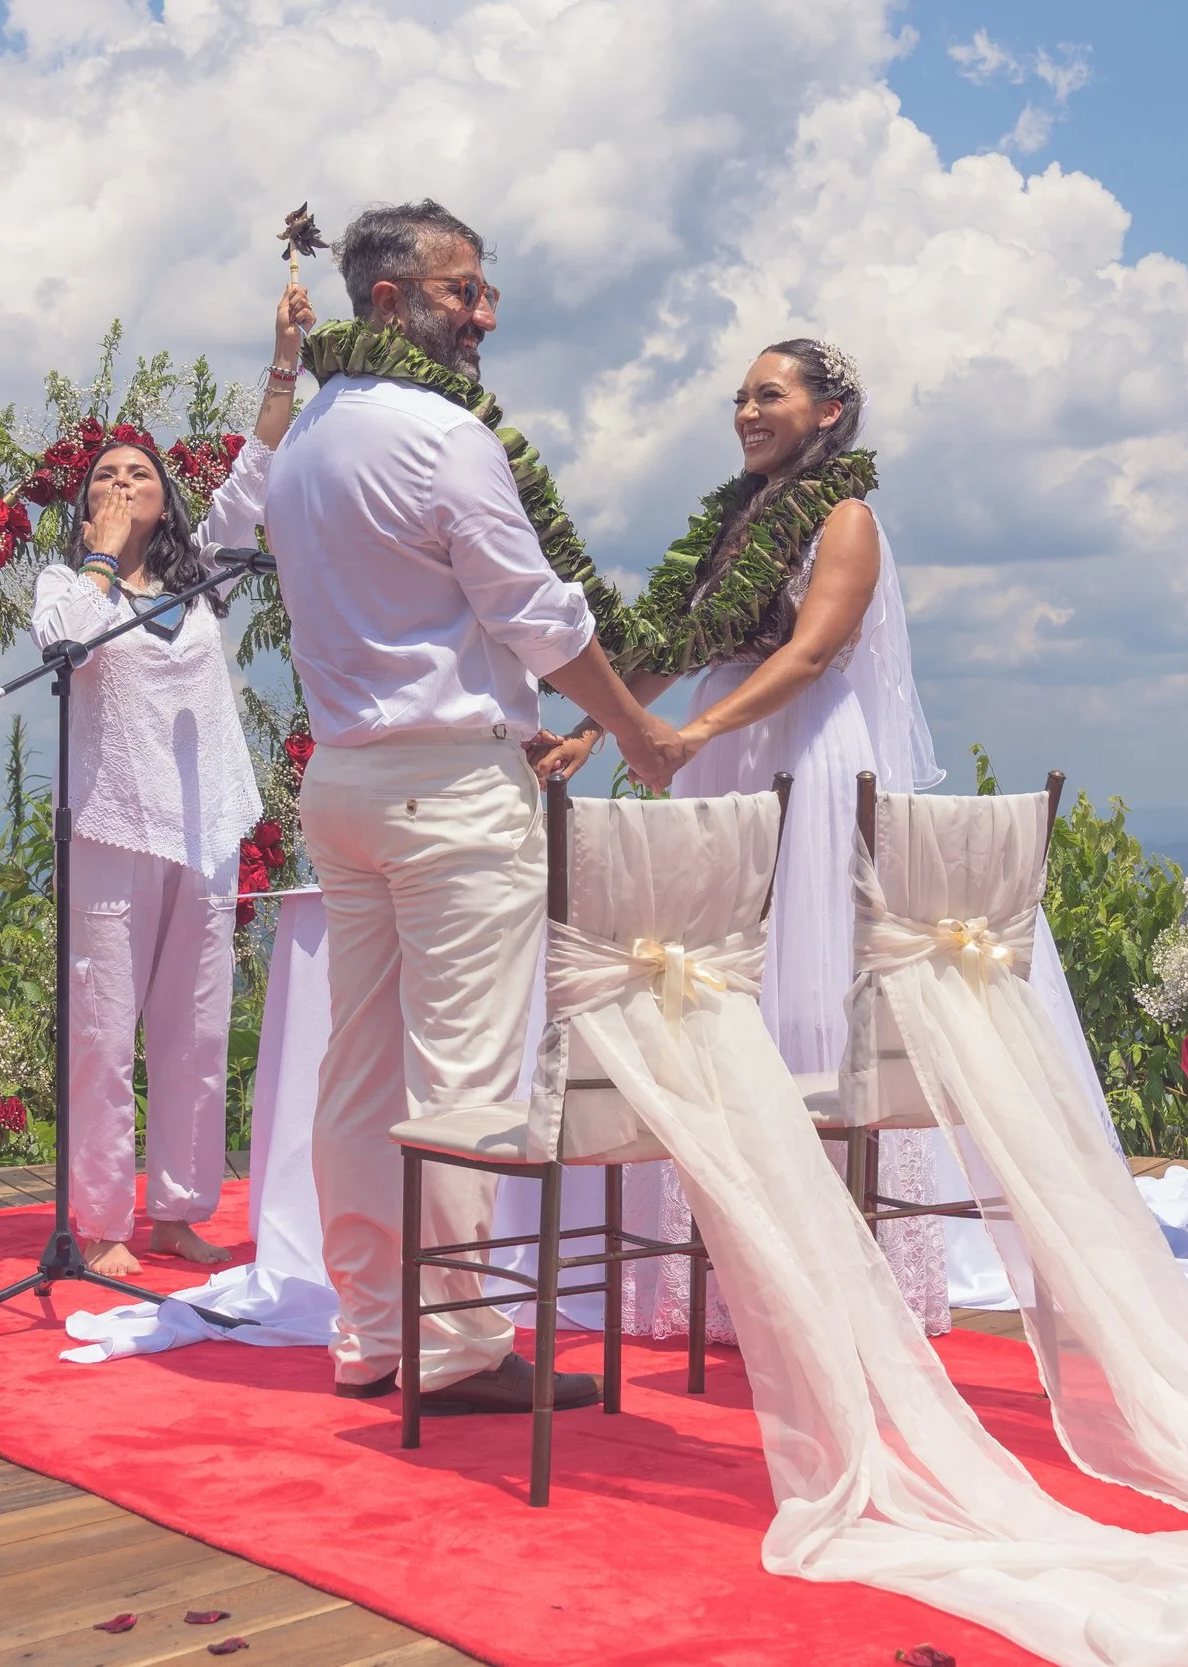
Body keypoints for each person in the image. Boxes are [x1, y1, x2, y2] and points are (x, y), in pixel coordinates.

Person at [262, 200, 688, 1413]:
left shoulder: (302, 444)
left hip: (344, 777)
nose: (484, 314)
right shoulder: (443, 436)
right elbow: (535, 612)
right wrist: (635, 728)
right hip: (450, 792)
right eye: (464, 291)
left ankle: (369, 1328)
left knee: (359, 1069)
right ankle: (454, 1344)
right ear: (388, 299)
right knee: (462, 1073)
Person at [531, 339, 953, 1339]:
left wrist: (696, 734)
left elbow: (810, 652)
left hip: (799, 750)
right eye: (741, 398)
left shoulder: (846, 517)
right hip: (718, 749)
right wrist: (599, 727)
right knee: (709, 981)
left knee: (802, 978)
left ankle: (829, 1254)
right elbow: (678, 646)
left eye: (770, 395)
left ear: (829, 411)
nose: (748, 413)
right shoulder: (733, 517)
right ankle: (719, 1254)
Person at [31, 280, 318, 1282]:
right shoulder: (66, 583)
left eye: (138, 472)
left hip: (204, 826)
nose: (122, 481)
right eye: (105, 475)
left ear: (166, 496)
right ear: (88, 505)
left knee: (195, 1029)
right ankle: (104, 1219)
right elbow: (64, 645)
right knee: (103, 1032)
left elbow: (257, 465)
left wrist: (284, 357)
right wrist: (102, 557)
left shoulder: (205, 578)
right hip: (113, 828)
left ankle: (181, 1210)